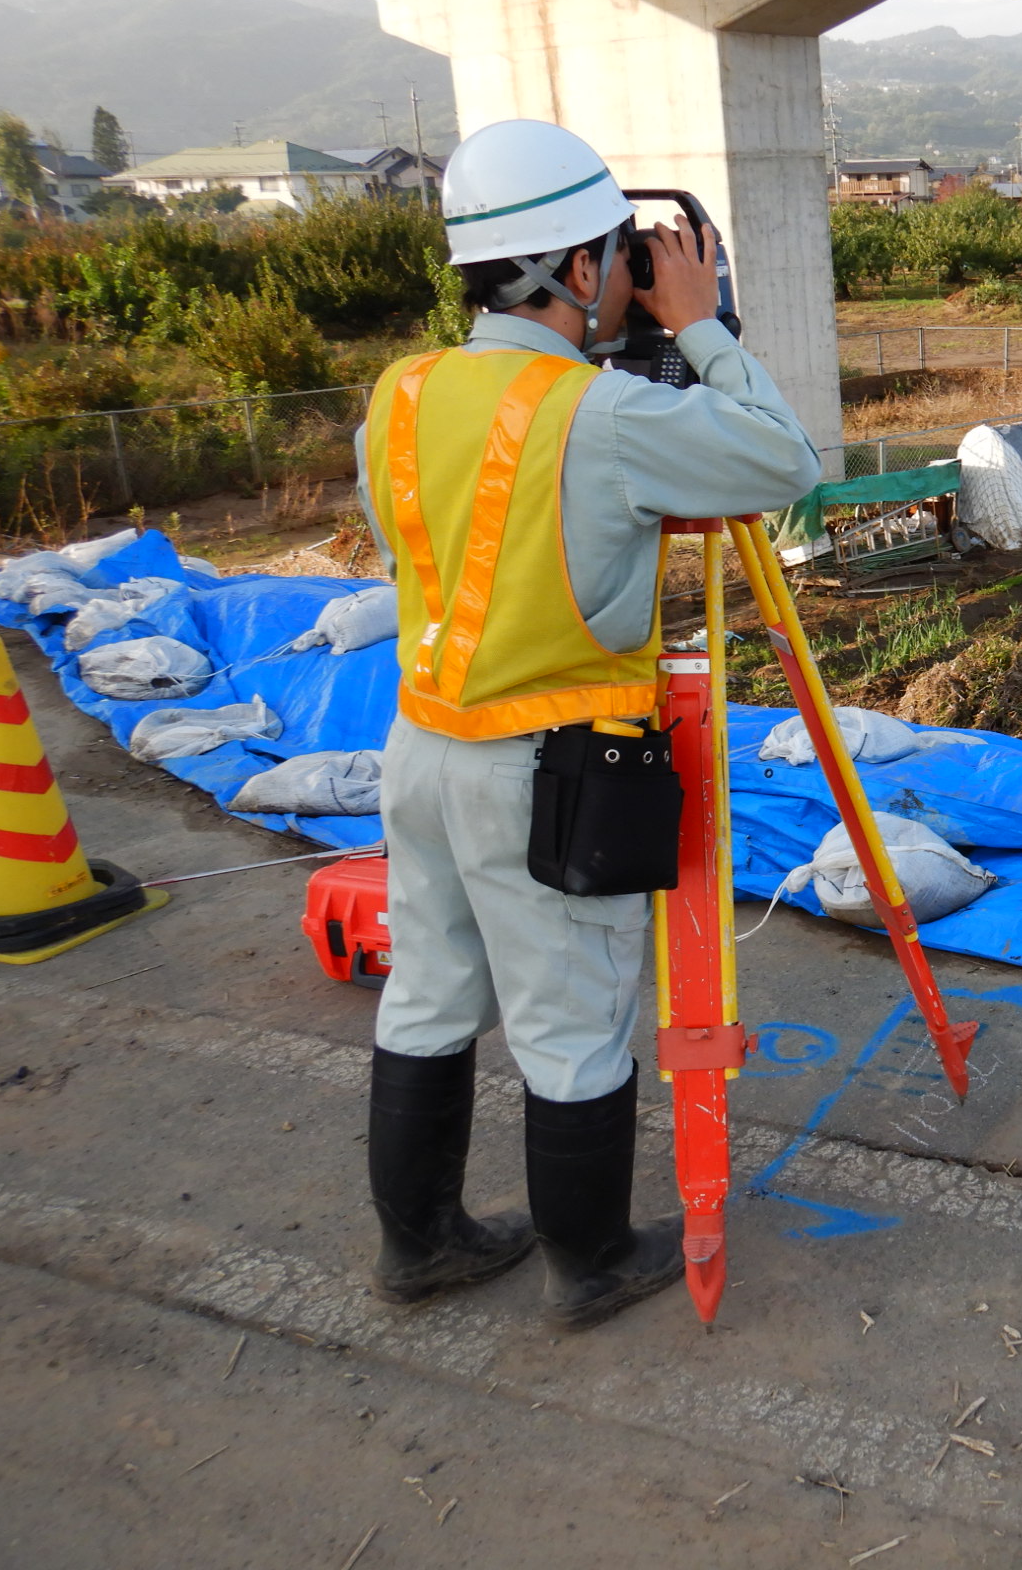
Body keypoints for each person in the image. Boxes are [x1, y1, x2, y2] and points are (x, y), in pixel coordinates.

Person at [352, 119, 821, 1331]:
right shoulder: (599, 415)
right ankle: (591, 1261)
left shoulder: (398, 397)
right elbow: (783, 462)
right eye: (621, 255)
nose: (633, 274)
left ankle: (421, 1246)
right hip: (546, 769)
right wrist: (705, 326)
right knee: (570, 1028)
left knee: (428, 996)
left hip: (419, 750)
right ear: (574, 272)